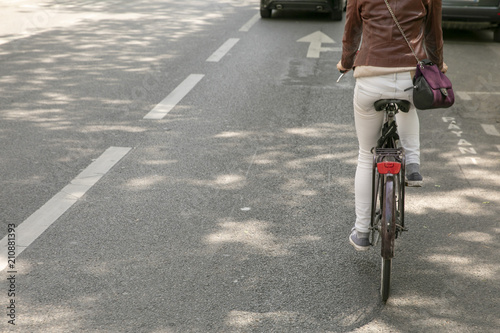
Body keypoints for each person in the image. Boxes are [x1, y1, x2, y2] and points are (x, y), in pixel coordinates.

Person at [337, 0, 447, 251]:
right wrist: (438, 66)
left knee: (366, 154)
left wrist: (345, 62)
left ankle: (362, 232)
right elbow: (433, 34)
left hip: (370, 78)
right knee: (409, 106)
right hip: (411, 77)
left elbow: (351, 31)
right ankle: (414, 166)